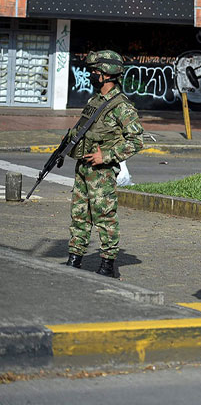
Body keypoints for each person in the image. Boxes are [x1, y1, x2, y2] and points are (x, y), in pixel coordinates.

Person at [65, 50, 144, 277]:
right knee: (79, 214)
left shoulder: (122, 106)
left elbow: (136, 141)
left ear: (107, 74)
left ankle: (107, 264)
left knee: (104, 216)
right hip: (83, 167)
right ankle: (75, 256)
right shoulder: (95, 100)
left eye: (95, 71)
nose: (92, 75)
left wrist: (107, 155)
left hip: (101, 172)